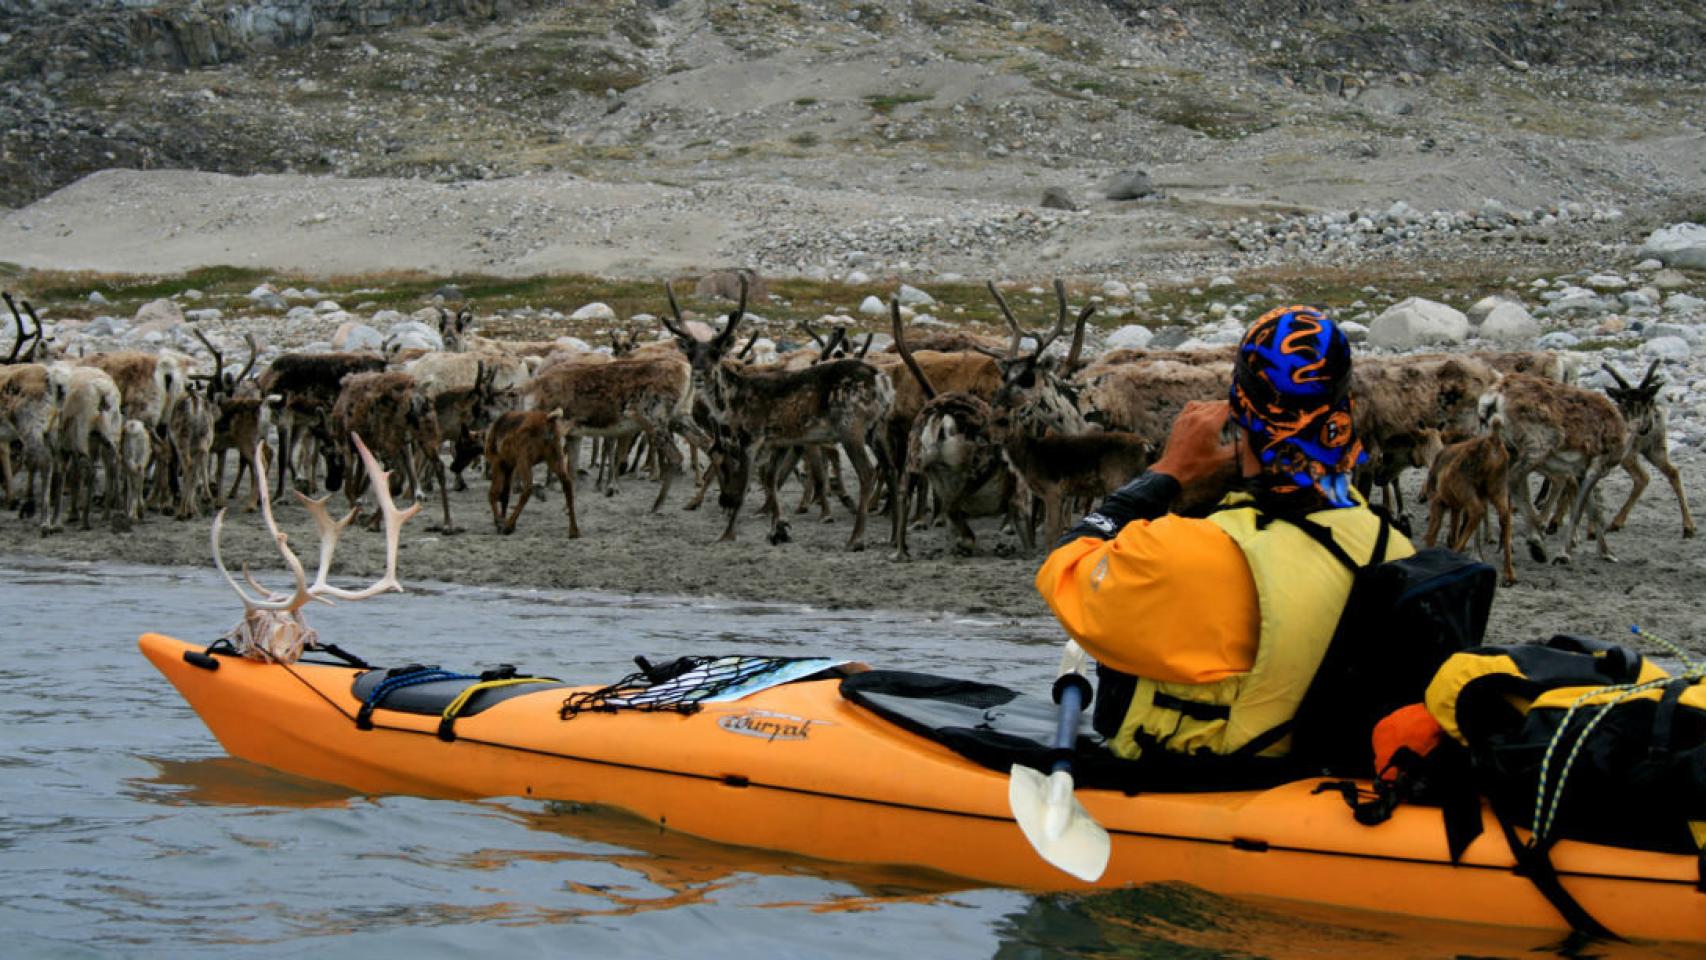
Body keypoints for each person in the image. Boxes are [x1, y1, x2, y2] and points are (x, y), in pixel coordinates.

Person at [1035, 305, 1413, 764]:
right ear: (1344, 408)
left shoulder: (1188, 553)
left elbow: (1065, 566)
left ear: (1239, 409)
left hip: (1207, 785)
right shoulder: (1387, 542)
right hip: (1316, 774)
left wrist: (1168, 472)